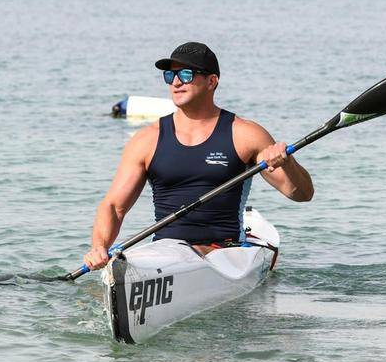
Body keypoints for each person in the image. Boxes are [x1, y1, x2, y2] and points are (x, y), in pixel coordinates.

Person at [83, 41, 314, 271]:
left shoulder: (244, 134)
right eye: (170, 75)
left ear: (211, 81)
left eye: (185, 74)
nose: (175, 82)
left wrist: (288, 162)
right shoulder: (146, 140)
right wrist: (99, 247)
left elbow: (301, 194)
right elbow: (114, 206)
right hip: (167, 251)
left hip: (225, 252)